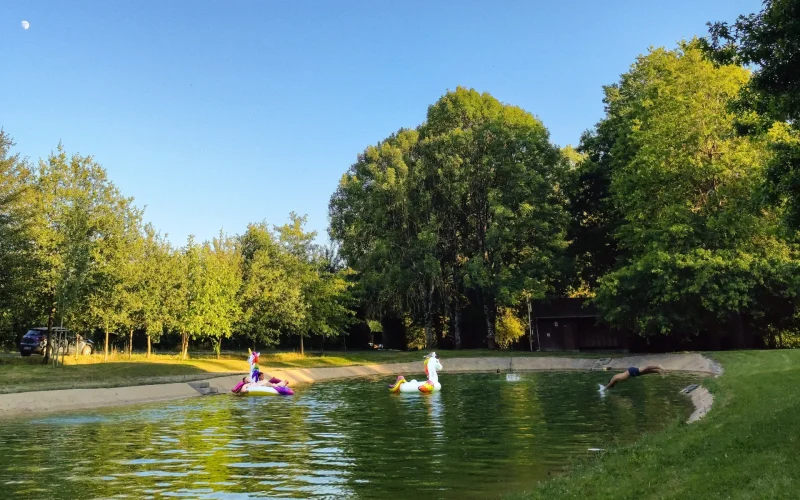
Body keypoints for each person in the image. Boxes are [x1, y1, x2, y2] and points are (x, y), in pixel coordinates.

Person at [599, 365, 666, 391]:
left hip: (631, 371)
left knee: (645, 368)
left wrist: (603, 389)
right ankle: (658, 371)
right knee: (646, 372)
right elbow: (610, 385)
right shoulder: (615, 379)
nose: (614, 385)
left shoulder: (614, 378)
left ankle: (658, 366)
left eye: (613, 385)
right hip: (632, 374)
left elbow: (609, 385)